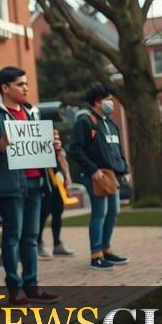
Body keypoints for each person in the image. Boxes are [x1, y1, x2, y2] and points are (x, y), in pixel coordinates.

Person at [0, 66, 61, 305]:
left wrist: (53, 146)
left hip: (35, 182)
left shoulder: (32, 113)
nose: (26, 88)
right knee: (12, 236)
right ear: (5, 88)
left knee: (31, 237)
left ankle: (32, 286)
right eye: (21, 84)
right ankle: (14, 288)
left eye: (26, 83)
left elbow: (40, 147)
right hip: (11, 186)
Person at [66, 82, 130, 270]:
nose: (112, 102)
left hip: (112, 176)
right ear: (97, 101)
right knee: (99, 213)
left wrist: (124, 169)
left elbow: (117, 149)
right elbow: (75, 149)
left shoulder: (111, 124)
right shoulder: (85, 121)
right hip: (96, 176)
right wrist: (93, 170)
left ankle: (106, 249)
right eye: (108, 99)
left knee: (113, 212)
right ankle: (96, 255)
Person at [37, 160, 77, 259]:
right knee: (44, 212)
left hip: (56, 178)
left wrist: (67, 177)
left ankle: (57, 244)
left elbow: (62, 159)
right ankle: (38, 244)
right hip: (43, 178)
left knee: (58, 210)